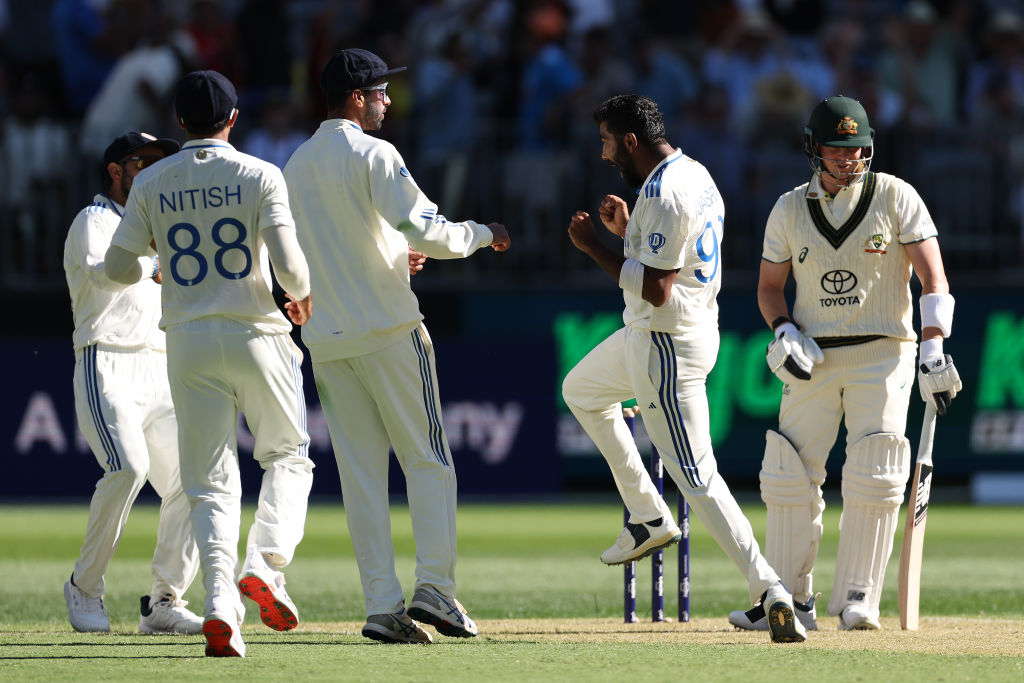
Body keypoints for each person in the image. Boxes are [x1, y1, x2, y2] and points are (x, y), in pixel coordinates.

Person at [283, 48, 510, 645]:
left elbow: (326, 246)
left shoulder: (296, 165)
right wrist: (485, 235)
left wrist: (390, 255)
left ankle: (382, 605)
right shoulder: (375, 153)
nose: (388, 101)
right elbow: (426, 230)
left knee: (361, 477)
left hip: (328, 342)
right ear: (356, 98)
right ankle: (435, 587)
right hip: (388, 331)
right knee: (428, 458)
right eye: (380, 92)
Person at [562, 94, 806, 644]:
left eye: (606, 141)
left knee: (697, 477)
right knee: (579, 389)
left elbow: (655, 285)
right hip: (660, 332)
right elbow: (669, 258)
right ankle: (647, 515)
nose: (603, 155)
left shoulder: (666, 192)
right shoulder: (691, 172)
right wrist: (628, 231)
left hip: (666, 344)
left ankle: (769, 588)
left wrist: (594, 244)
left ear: (630, 140)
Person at [727, 95, 961, 632]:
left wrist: (931, 348)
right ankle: (786, 599)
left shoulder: (896, 195)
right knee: (787, 474)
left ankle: (860, 597)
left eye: (855, 149)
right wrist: (783, 328)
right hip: (812, 355)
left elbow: (934, 280)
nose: (847, 160)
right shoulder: (788, 208)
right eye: (836, 149)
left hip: (885, 354)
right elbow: (768, 287)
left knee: (875, 472)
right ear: (814, 148)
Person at [104, 70, 315, 658]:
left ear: (179, 122)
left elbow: (119, 270)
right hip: (257, 333)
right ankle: (265, 567)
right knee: (288, 457)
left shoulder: (153, 181)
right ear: (234, 118)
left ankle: (223, 602)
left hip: (189, 339)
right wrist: (301, 293)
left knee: (208, 481)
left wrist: (157, 254)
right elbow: (293, 273)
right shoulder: (259, 173)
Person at [62, 131, 204, 636]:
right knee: (127, 468)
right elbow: (106, 275)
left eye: (159, 162)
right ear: (115, 171)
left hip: (161, 365)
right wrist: (156, 263)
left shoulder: (165, 225)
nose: (153, 169)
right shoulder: (93, 220)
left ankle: (165, 601)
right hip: (108, 360)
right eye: (141, 162)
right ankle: (84, 587)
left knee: (193, 478)